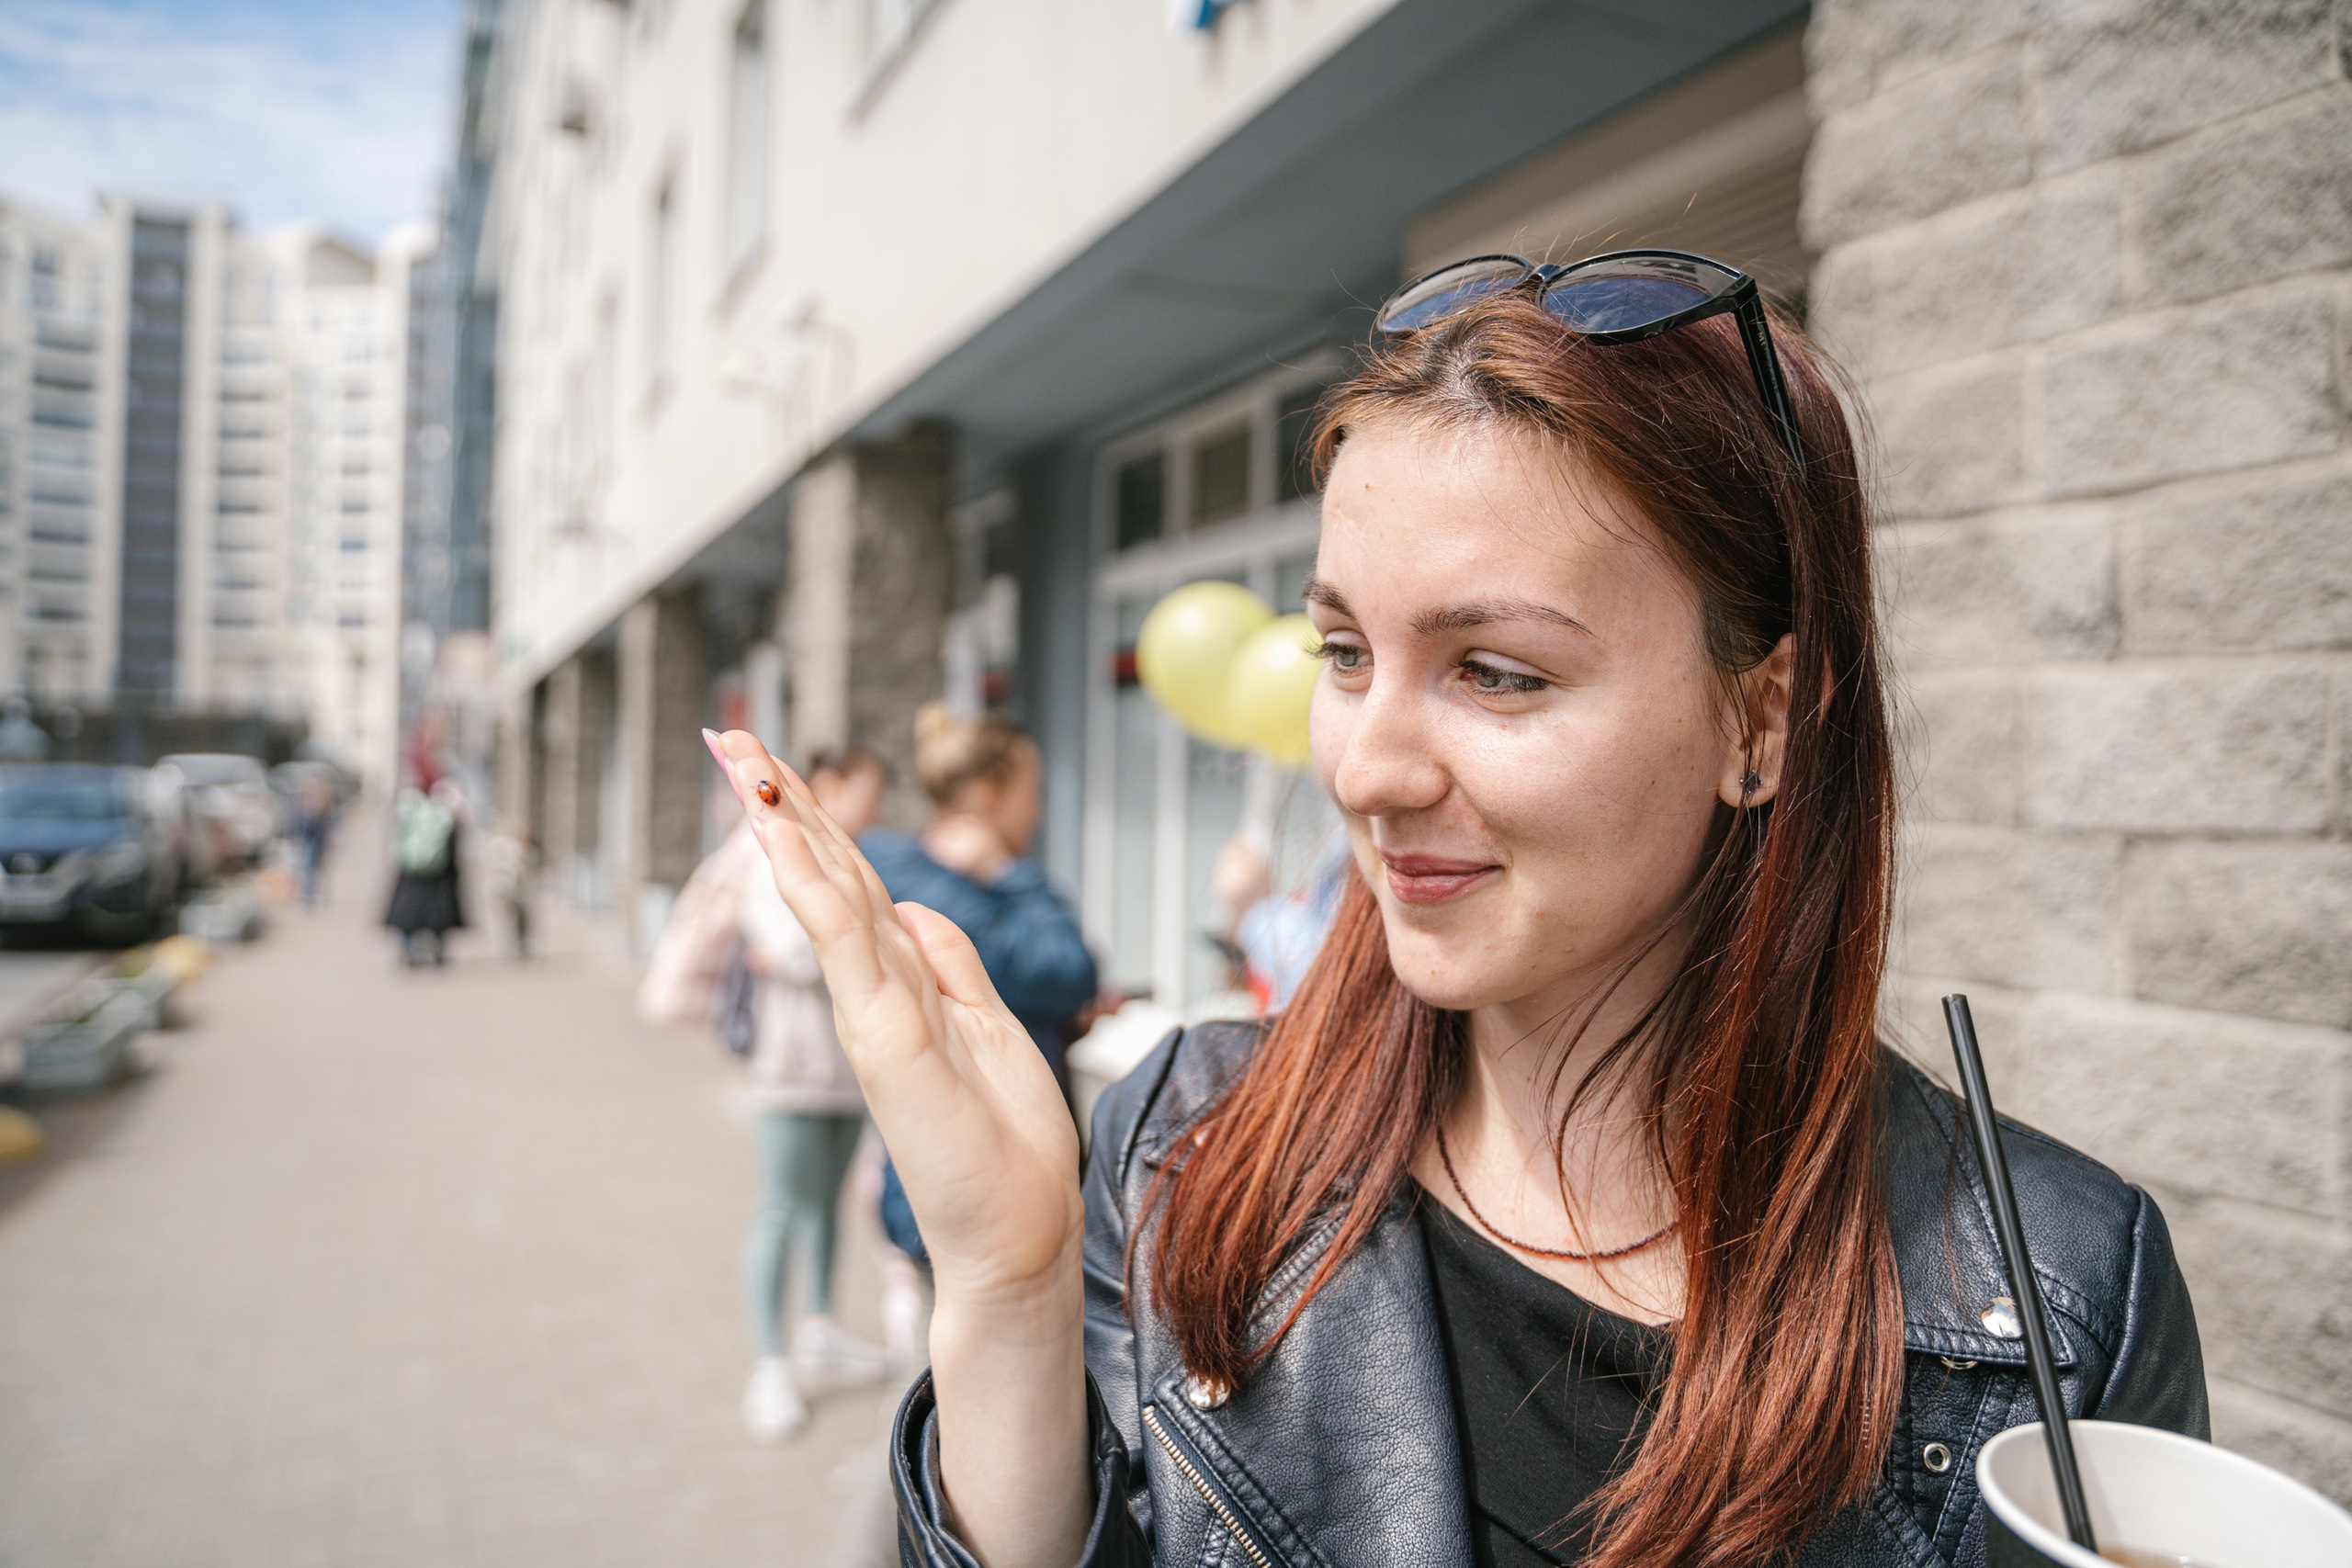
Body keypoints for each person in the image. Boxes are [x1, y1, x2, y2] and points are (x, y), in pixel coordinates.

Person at [707, 252, 2205, 1568]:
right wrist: (1007, 1287)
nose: (1364, 765)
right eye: (1345, 650)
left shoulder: (2059, 1295)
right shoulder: (1183, 1153)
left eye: (1496, 669)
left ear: (1765, 717)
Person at [734, 747, 894, 1441]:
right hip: (791, 1066)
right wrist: (843, 944)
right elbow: (794, 952)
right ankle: (769, 1363)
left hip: (846, 1066)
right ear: (825, 786)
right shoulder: (764, 855)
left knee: (826, 1205)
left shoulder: (850, 860)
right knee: (780, 1208)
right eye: (867, 790)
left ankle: (820, 1327)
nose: (875, 808)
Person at [383, 778, 465, 966]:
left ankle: (408, 951)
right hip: (439, 874)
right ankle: (438, 951)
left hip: (411, 871)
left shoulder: (407, 810)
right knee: (439, 916)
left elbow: (397, 840)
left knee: (407, 916)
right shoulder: (444, 812)